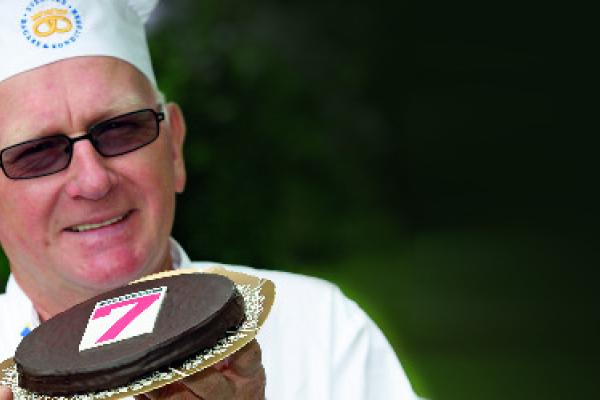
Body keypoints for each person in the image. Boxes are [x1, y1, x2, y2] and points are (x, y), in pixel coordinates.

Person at [0, 1, 419, 399]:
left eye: (121, 129)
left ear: (174, 148)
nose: (93, 182)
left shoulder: (320, 332)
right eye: (37, 154)